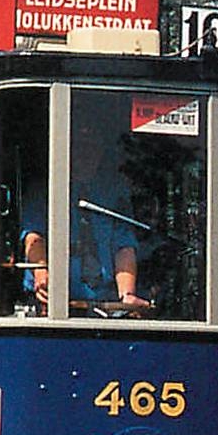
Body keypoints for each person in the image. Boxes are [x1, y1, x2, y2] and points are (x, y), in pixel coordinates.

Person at [21, 129, 151, 312]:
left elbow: (124, 245)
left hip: (104, 302)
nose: (85, 155)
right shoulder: (44, 191)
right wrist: (41, 272)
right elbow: (34, 237)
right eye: (80, 147)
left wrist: (127, 295)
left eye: (92, 147)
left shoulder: (113, 191)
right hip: (51, 303)